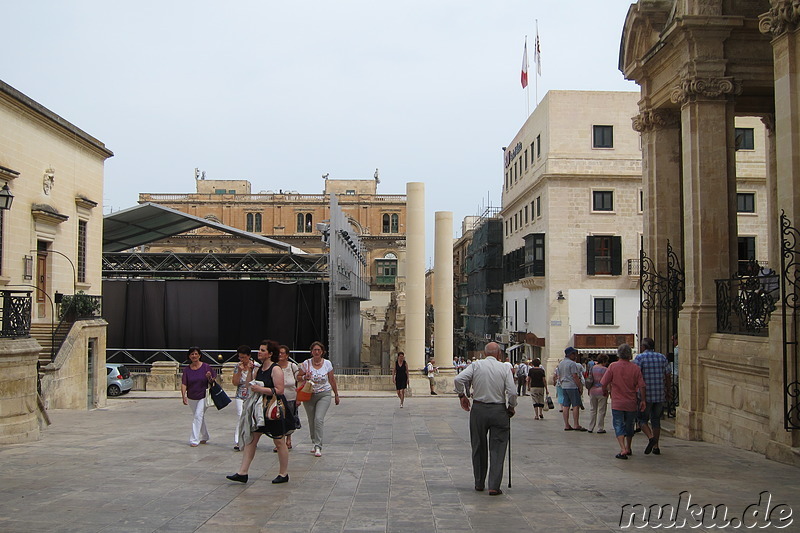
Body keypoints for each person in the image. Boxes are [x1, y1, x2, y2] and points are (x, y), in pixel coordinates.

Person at [454, 342, 517, 496]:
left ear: (484, 352)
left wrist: (462, 395)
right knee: (498, 448)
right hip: (498, 410)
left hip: (479, 409)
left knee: (478, 446)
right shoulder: (504, 368)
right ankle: (494, 485)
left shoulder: (476, 365)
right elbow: (512, 391)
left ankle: (479, 482)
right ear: (499, 354)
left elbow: (458, 379)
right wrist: (511, 406)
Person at [226, 340, 290, 484]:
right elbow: (250, 385)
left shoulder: (275, 369)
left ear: (270, 353)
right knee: (251, 440)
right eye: (259, 350)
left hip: (272, 410)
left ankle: (283, 473)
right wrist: (249, 371)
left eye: (262, 350)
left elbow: (279, 390)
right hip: (260, 410)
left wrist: (261, 389)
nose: (259, 352)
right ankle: (243, 472)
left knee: (279, 441)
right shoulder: (259, 369)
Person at [600, 343, 646, 459]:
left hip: (617, 402)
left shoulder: (613, 366)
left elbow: (603, 382)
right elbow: (642, 386)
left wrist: (605, 391)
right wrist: (643, 400)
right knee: (629, 425)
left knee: (618, 424)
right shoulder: (635, 368)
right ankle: (629, 446)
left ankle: (622, 448)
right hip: (631, 401)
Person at [300, 341, 340, 457]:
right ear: (311, 352)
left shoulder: (327, 364)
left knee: (319, 419)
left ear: (322, 352)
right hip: (309, 394)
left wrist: (336, 394)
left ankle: (318, 445)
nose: (316, 352)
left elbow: (332, 379)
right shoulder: (306, 364)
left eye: (319, 350)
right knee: (311, 420)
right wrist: (304, 376)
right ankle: (314, 441)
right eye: (314, 350)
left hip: (324, 393)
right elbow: (298, 376)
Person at [635, 337, 671, 455]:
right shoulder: (662, 357)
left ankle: (651, 438)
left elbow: (636, 376)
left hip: (646, 395)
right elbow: (667, 375)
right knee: (656, 420)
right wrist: (668, 390)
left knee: (642, 419)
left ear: (644, 347)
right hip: (659, 394)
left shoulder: (640, 358)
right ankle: (656, 446)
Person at [180, 346, 216, 447]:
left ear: (200, 355)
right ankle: (205, 436)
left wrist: (209, 377)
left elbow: (213, 380)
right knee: (199, 416)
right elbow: (184, 383)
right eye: (192, 354)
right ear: (189, 356)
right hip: (192, 396)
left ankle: (194, 439)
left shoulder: (205, 367)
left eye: (196, 354)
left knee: (198, 416)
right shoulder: (187, 370)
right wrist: (183, 396)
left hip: (203, 395)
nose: (194, 356)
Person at [231, 345, 259, 451]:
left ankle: (251, 440)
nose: (242, 360)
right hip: (240, 395)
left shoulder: (256, 366)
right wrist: (239, 371)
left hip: (252, 394)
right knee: (240, 416)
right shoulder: (238, 366)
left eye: (244, 357)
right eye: (240, 357)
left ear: (249, 356)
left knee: (251, 417)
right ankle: (238, 440)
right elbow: (235, 382)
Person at [275, 345, 300, 452]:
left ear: (287, 355)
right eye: (279, 353)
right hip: (278, 397)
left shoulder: (292, 366)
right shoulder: (275, 367)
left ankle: (288, 439)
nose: (280, 355)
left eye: (282, 353)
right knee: (279, 419)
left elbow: (299, 381)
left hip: (291, 396)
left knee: (290, 419)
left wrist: (299, 397)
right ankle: (280, 441)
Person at [557, 347, 586, 431]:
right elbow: (574, 376)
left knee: (565, 405)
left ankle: (566, 424)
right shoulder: (572, 363)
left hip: (564, 385)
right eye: (574, 354)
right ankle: (576, 424)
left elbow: (559, 375)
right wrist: (579, 386)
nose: (575, 356)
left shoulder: (561, 363)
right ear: (570, 354)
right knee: (575, 405)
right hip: (572, 386)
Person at [587, 354, 609, 433]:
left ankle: (590, 427)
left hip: (593, 390)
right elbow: (607, 382)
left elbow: (590, 379)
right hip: (602, 391)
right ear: (604, 361)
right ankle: (600, 428)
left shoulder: (592, 368)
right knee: (601, 410)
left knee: (593, 409)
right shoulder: (605, 370)